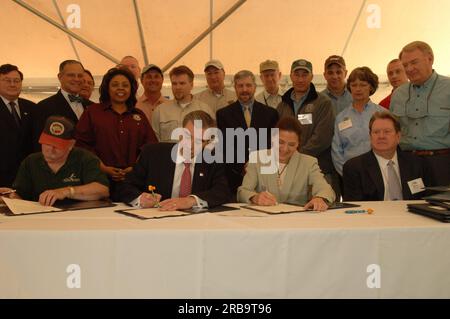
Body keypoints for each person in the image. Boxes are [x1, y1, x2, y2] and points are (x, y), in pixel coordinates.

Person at [117, 110, 230, 210]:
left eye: (199, 141)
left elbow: (222, 192)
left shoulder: (213, 159)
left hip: (195, 223)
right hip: (156, 219)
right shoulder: (152, 153)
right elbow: (126, 186)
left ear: (207, 143)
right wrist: (140, 198)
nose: (190, 145)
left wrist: (191, 201)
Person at [75, 67, 157, 198]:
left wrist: (134, 168)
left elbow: (150, 146)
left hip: (133, 182)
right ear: (107, 88)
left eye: (125, 85)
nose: (120, 88)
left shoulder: (139, 115)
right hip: (98, 179)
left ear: (131, 90)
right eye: (115, 85)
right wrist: (102, 167)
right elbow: (81, 145)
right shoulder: (92, 112)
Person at [0, 116, 109, 206]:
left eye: (57, 146)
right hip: (41, 220)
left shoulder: (85, 158)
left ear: (71, 145)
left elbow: (102, 190)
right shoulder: (31, 162)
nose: (50, 150)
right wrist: (10, 197)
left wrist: (65, 191)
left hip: (80, 220)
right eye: (47, 143)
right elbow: (21, 196)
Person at [237, 117, 335, 211]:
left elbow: (326, 189)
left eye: (291, 144)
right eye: (280, 142)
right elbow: (243, 192)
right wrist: (255, 197)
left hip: (295, 221)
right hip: (264, 221)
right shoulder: (257, 158)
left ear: (298, 144)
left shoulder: (309, 163)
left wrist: (320, 198)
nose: (284, 149)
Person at [390, 41, 450, 186]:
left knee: (442, 208)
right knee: (404, 207)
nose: (409, 69)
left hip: (443, 163)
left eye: (414, 62)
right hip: (407, 164)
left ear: (430, 59)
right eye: (405, 65)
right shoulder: (398, 94)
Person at [277, 59, 338, 195]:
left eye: (304, 75)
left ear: (311, 77)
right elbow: (276, 135)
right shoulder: (282, 105)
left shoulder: (323, 103)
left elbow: (322, 138)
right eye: (297, 74)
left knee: (318, 207)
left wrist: (296, 157)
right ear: (291, 76)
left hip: (317, 169)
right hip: (288, 171)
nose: (300, 79)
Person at [216, 70, 279, 195]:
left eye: (248, 85)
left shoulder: (270, 113)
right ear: (235, 88)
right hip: (235, 175)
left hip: (264, 174)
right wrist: (244, 165)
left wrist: (255, 164)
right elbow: (224, 146)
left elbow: (273, 144)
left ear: (255, 87)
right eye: (240, 86)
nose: (244, 89)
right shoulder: (223, 114)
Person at [343, 112, 428, 201]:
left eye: (387, 132)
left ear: (398, 137)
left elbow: (427, 199)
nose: (381, 136)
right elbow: (355, 208)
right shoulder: (354, 167)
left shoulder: (417, 164)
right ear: (370, 137)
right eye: (376, 132)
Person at [332, 66, 386, 176]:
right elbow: (336, 150)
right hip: (351, 174)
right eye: (354, 85)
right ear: (349, 88)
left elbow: (390, 144)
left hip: (380, 172)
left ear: (371, 87)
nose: (358, 89)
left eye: (363, 85)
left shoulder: (383, 114)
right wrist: (346, 173)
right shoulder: (341, 117)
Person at [33, 60, 91, 150]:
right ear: (60, 77)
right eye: (71, 75)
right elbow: (38, 145)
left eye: (80, 75)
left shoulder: (92, 106)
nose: (76, 79)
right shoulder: (44, 107)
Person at [152, 65, 214, 142]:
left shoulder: (205, 109)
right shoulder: (160, 111)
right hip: (167, 153)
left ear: (191, 85)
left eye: (182, 83)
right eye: (174, 83)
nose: (178, 87)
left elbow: (212, 140)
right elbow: (154, 142)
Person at [0, 64, 36, 187]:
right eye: (7, 80)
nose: (12, 84)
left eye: (16, 81)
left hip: (28, 176)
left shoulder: (32, 107)